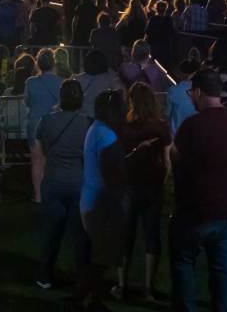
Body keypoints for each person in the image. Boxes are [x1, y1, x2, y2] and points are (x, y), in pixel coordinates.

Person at [169, 69, 227, 312]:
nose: (191, 97)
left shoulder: (192, 126)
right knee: (222, 270)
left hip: (197, 212)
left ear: (200, 92)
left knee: (184, 263)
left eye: (191, 92)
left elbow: (177, 159)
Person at [116, 82, 171, 301]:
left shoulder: (123, 127)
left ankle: (121, 286)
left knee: (125, 237)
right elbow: (167, 162)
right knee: (151, 236)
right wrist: (162, 181)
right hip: (152, 187)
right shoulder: (161, 127)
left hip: (129, 186)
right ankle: (148, 288)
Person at [35, 79, 89, 290]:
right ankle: (81, 277)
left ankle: (45, 275)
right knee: (80, 234)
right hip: (78, 181)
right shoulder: (88, 123)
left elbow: (41, 151)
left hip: (54, 180)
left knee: (51, 231)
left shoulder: (46, 121)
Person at [76, 89, 127, 310]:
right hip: (101, 205)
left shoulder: (95, 129)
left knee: (98, 255)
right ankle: (82, 299)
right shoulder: (107, 135)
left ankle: (93, 300)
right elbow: (113, 173)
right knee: (102, 257)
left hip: (90, 201)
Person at [25, 49, 63, 203]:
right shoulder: (60, 81)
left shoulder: (30, 82)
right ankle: (53, 194)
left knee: (37, 161)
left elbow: (27, 101)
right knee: (54, 162)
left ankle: (38, 196)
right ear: (53, 63)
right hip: (53, 123)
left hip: (34, 123)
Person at [73, 50, 121, 119]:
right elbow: (121, 91)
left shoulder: (76, 78)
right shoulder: (110, 77)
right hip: (101, 117)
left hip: (82, 117)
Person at [167, 59, 200, 135]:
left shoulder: (173, 90)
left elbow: (168, 114)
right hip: (196, 133)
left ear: (181, 73)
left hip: (177, 135)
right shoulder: (201, 90)